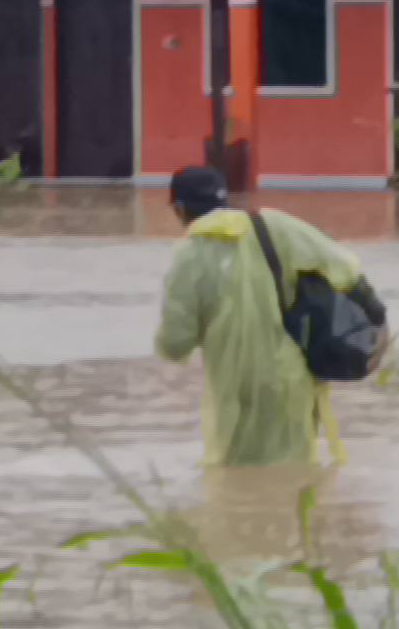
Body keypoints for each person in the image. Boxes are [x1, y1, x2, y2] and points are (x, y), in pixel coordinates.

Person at [155, 166, 386, 467]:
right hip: (288, 381)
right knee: (296, 474)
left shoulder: (187, 258)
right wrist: (379, 320)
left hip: (232, 389)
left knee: (237, 483)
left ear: (179, 209)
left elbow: (175, 343)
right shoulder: (273, 225)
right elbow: (344, 267)